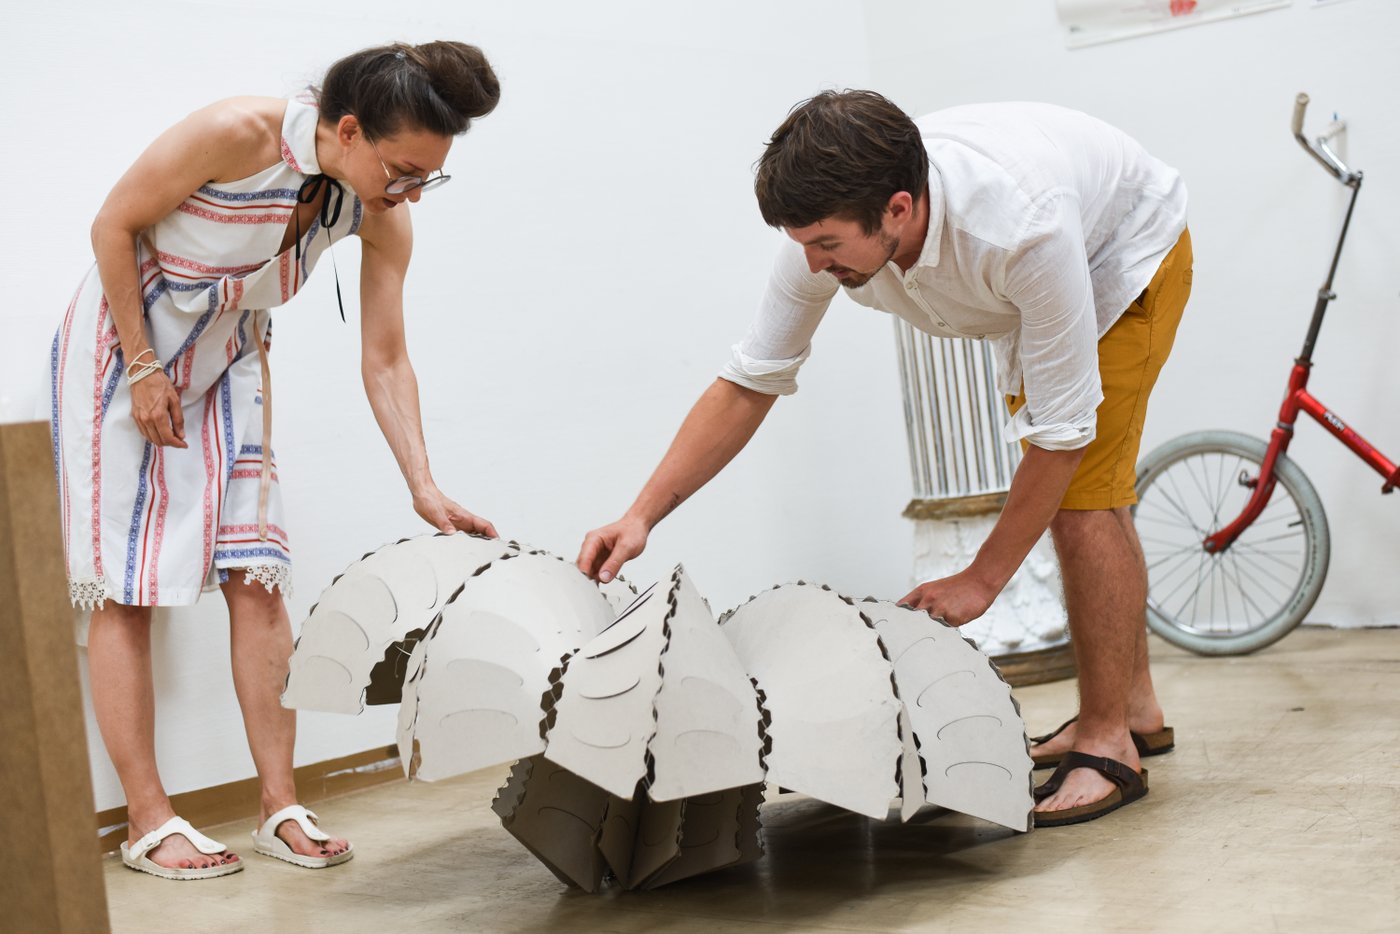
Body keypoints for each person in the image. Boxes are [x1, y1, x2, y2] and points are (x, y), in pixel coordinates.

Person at [577, 91, 1191, 827]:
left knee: (1086, 494)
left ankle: (1108, 742)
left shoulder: (1022, 226)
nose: (810, 262)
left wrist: (983, 577)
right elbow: (749, 382)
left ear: (897, 209)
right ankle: (1135, 709)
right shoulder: (832, 221)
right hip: (1039, 256)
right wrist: (641, 515)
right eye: (802, 241)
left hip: (1122, 254)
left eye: (827, 244)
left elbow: (1062, 436)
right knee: (1093, 490)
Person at [49, 41, 500, 878]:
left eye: (424, 178)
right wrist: (143, 368)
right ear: (351, 130)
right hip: (125, 347)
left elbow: (386, 356)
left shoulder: (378, 211)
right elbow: (113, 224)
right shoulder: (236, 132)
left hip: (228, 356)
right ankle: (149, 820)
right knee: (128, 583)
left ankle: (278, 805)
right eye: (402, 169)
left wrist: (423, 485)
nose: (407, 193)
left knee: (255, 573)